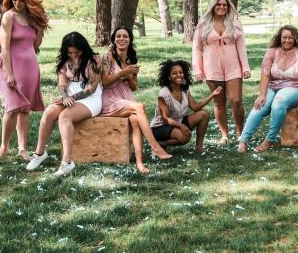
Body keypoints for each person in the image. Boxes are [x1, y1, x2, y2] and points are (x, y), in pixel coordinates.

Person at [26, 32, 103, 177]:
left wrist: (70, 98)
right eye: (70, 52)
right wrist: (65, 96)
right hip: (69, 95)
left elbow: (91, 88)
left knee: (64, 116)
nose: (73, 55)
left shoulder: (94, 60)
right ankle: (40, 153)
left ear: (83, 48)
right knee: (49, 112)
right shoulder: (64, 60)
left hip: (90, 97)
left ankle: (67, 162)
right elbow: (62, 83)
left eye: (77, 52)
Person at [100, 27, 172, 173]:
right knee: (139, 107)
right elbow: (105, 82)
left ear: (130, 40)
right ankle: (154, 146)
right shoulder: (108, 56)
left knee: (135, 120)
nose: (121, 39)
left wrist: (129, 76)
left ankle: (140, 163)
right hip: (110, 98)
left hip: (125, 96)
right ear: (114, 40)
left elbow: (134, 87)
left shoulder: (131, 59)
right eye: (118, 36)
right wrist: (122, 73)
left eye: (125, 36)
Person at [0, 0, 49, 161]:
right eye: (14, 0)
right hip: (11, 65)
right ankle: (4, 147)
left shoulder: (32, 18)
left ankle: (22, 148)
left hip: (30, 67)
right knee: (12, 108)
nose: (17, 4)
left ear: (28, 1)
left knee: (24, 109)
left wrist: (40, 26)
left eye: (21, 1)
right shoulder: (8, 17)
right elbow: (5, 49)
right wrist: (9, 73)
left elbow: (35, 46)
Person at [238, 25, 298, 153]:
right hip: (273, 86)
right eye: (284, 37)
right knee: (260, 106)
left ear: (295, 39)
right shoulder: (272, 51)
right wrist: (262, 95)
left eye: (290, 38)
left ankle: (268, 140)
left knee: (278, 104)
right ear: (279, 38)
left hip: (295, 88)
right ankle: (243, 141)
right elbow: (265, 74)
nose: (287, 40)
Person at [192, 0, 251, 145]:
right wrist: (197, 69)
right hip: (212, 66)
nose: (222, 7)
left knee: (236, 100)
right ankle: (224, 135)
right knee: (219, 102)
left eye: (225, 5)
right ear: (213, 6)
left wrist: (245, 67)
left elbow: (241, 47)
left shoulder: (234, 23)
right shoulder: (203, 24)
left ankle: (240, 133)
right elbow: (197, 48)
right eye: (219, 4)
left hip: (233, 66)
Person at [149, 60, 221, 153]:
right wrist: (182, 126)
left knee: (204, 114)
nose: (179, 75)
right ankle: (158, 144)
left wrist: (212, 95)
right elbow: (165, 119)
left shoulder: (184, 90)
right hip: (160, 127)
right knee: (185, 138)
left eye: (181, 72)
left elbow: (195, 107)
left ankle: (199, 148)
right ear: (169, 77)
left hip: (177, 122)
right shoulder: (164, 94)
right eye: (174, 73)